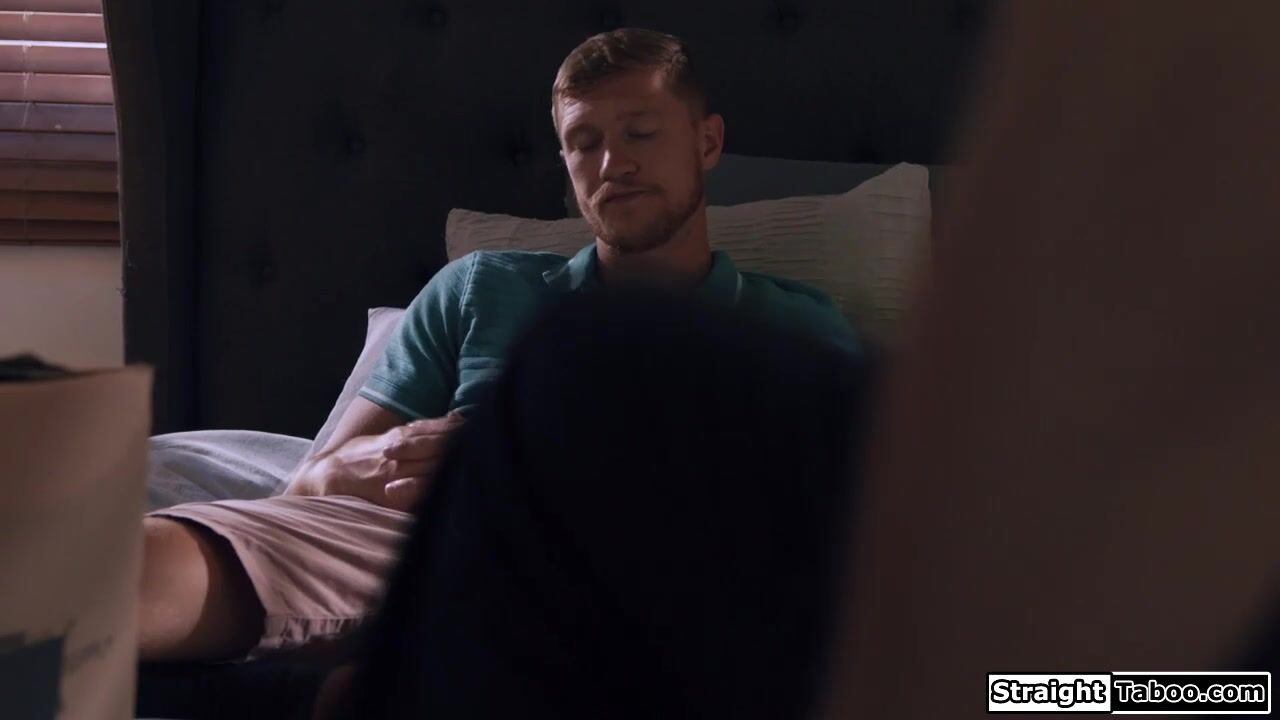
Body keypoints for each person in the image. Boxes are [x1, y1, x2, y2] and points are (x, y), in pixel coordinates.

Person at [137, 27, 862, 662]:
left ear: (707, 142)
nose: (613, 163)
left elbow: (844, 531)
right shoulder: (483, 287)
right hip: (448, 547)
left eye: (641, 133)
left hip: (670, 569)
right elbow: (310, 492)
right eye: (585, 143)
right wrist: (372, 466)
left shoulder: (794, 326)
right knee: (141, 563)